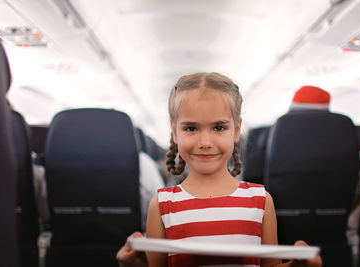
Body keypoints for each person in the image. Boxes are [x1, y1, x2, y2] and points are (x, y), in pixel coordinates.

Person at [117, 72, 322, 267]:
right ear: (175, 132)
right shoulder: (162, 205)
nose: (205, 142)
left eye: (218, 128)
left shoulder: (260, 200)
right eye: (191, 128)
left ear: (236, 130)